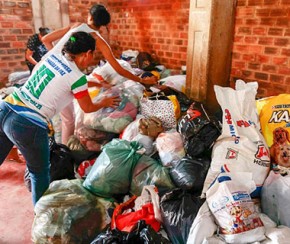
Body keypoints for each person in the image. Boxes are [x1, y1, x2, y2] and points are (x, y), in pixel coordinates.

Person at [0, 31, 121, 206]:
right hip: (27, 123)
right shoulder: (76, 77)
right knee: (39, 174)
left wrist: (98, 83)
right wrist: (105, 101)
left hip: (6, 108)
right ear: (87, 53)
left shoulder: (53, 56)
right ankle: (42, 222)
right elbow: (87, 106)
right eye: (92, 55)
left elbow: (64, 79)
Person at [42, 4, 157, 144]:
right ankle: (64, 152)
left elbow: (46, 40)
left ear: (90, 16)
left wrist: (55, 56)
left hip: (47, 71)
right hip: (65, 81)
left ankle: (58, 148)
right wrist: (141, 80)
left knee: (55, 116)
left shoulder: (76, 26)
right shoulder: (98, 41)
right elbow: (119, 69)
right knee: (68, 120)